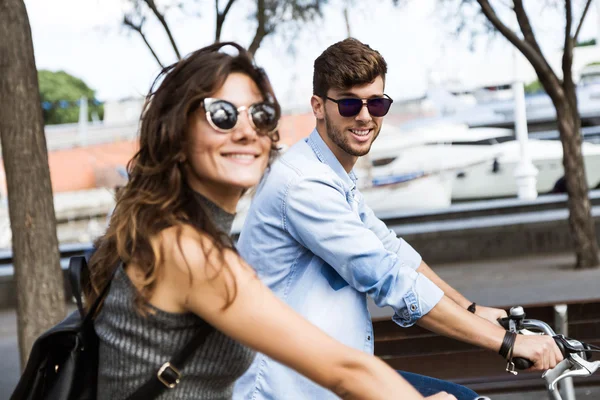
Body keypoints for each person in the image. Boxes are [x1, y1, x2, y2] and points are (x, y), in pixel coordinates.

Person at [84, 42, 452, 400]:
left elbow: (390, 251)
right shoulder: (185, 250)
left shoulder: (177, 231)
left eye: (259, 115)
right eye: (222, 115)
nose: (247, 131)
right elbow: (343, 371)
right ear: (178, 132)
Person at [233, 38, 564, 400]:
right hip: (292, 388)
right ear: (317, 106)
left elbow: (392, 249)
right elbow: (388, 278)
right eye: (348, 103)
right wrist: (507, 342)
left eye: (376, 103)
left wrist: (471, 308)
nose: (364, 116)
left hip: (334, 376)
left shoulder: (329, 174)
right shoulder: (303, 184)